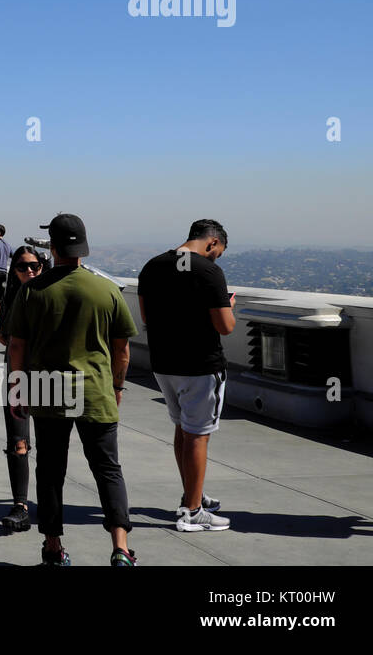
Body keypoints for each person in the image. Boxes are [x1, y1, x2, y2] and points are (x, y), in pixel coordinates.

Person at [5, 213, 138, 566]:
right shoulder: (106, 289)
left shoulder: (32, 290)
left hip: (48, 392)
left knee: (50, 471)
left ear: (52, 247)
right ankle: (120, 548)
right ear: (83, 246)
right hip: (95, 390)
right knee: (108, 469)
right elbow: (122, 349)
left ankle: (52, 547)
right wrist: (118, 386)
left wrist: (17, 390)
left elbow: (17, 346)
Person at [138, 219, 234, 532]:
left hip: (164, 364)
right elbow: (225, 326)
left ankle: (192, 494)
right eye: (217, 252)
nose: (215, 258)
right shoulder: (209, 272)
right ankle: (193, 511)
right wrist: (228, 305)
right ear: (212, 243)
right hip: (200, 366)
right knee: (197, 435)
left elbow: (144, 316)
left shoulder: (152, 267)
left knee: (182, 430)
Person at [0, 245, 45, 532]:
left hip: (48, 377)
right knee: (18, 444)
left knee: (50, 446)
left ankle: (47, 502)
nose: (29, 271)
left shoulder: (51, 294)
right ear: (14, 270)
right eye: (22, 267)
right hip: (17, 377)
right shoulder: (12, 297)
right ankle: (20, 506)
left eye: (35, 266)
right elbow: (8, 341)